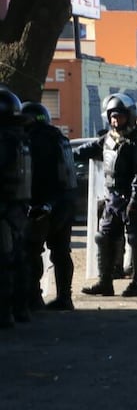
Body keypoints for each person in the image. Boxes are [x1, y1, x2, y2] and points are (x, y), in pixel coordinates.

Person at [75, 93, 137, 297]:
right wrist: (63, 151)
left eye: (120, 116)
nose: (116, 121)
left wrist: (135, 200)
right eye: (112, 117)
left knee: (135, 238)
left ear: (130, 116)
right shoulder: (108, 138)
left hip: (134, 197)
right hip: (114, 197)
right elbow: (85, 150)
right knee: (104, 237)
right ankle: (105, 282)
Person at [21, 101, 77, 311]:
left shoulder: (34, 140)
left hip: (44, 204)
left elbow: (35, 175)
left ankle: (34, 297)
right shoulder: (59, 137)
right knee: (61, 252)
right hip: (65, 203)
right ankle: (65, 297)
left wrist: (35, 204)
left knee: (32, 250)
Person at [0, 88, 32, 326]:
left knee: (5, 262)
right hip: (18, 207)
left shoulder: (5, 141)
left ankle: (5, 313)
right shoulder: (20, 138)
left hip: (5, 207)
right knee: (17, 258)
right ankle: (20, 309)